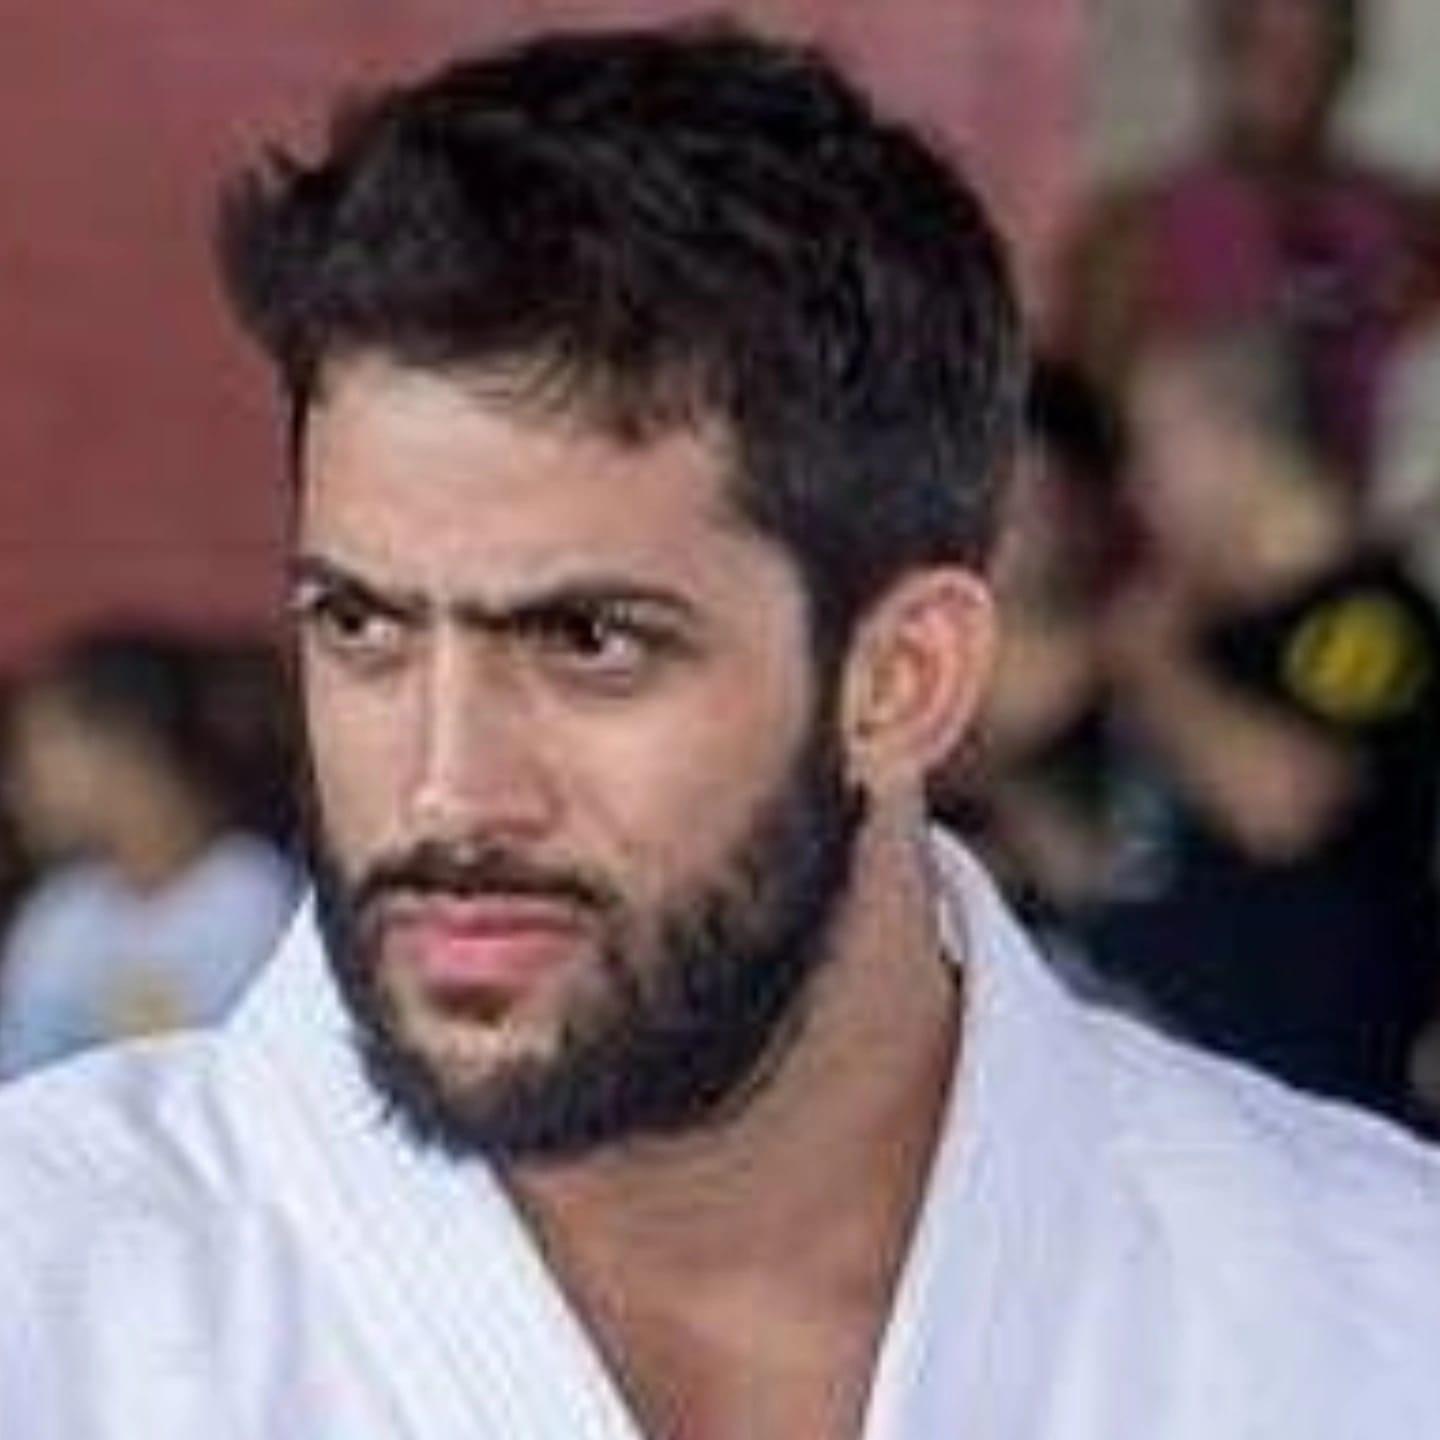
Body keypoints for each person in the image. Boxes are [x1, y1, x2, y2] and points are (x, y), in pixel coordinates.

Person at [1, 24, 1439, 1438]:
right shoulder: (48, 1295)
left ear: (903, 679)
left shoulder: (1371, 1315)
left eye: (589, 642)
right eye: (362, 627)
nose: (446, 792)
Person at [1056, 0, 1434, 490]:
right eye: (1263, 46)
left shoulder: (1410, 226)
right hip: (1197, 518)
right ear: (1222, 47)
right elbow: (1088, 426)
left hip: (1374, 513)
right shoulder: (1135, 232)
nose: (1286, 76)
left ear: (1347, 56)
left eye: (1308, 52)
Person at [0, 629, 296, 1076]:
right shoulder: (61, 914)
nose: (21, 786)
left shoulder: (258, 902)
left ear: (121, 744)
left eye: (40, 749)